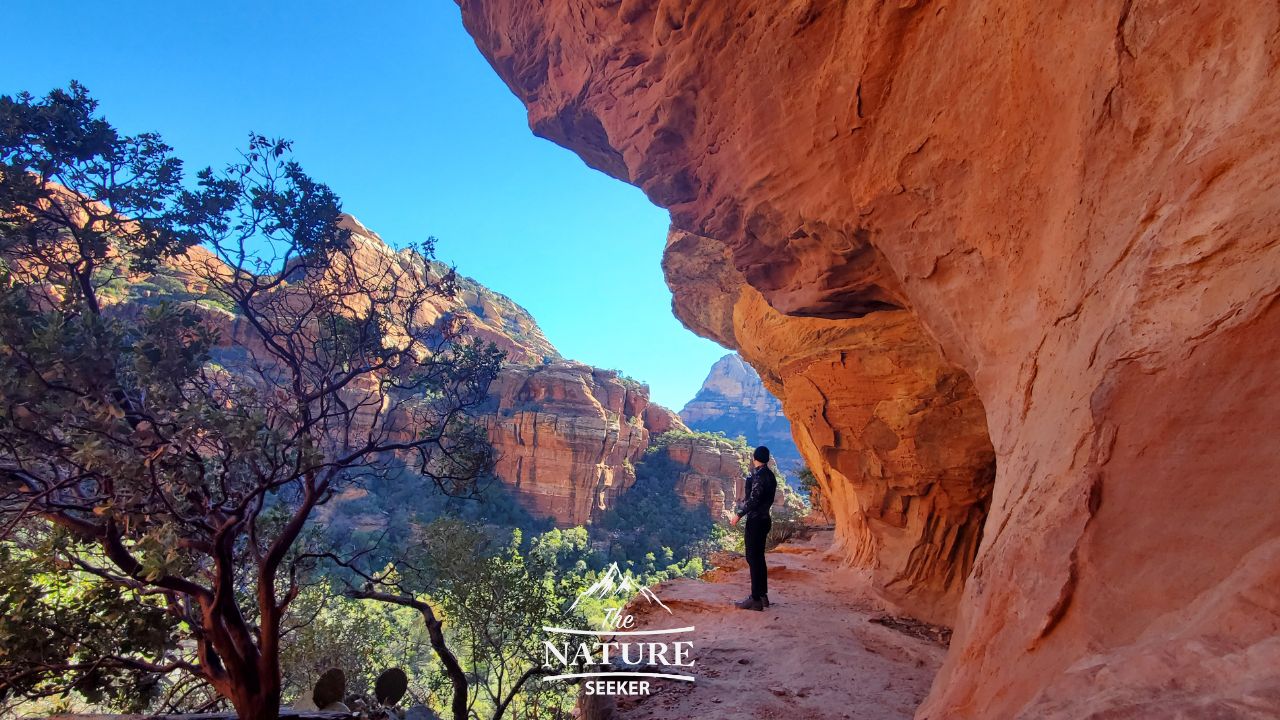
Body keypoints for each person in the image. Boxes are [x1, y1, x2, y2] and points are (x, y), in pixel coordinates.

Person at [730, 445, 777, 611]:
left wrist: (739, 514)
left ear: (754, 458)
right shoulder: (770, 475)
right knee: (759, 558)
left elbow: (754, 499)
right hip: (765, 519)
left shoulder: (759, 476)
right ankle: (763, 595)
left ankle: (755, 599)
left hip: (756, 521)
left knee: (752, 558)